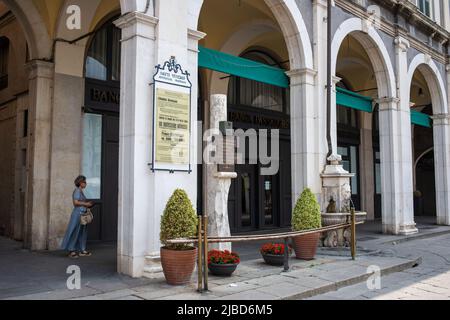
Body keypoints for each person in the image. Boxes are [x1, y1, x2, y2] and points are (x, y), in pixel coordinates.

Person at [61, 175, 94, 258]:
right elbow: (75, 203)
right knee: (74, 231)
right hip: (77, 214)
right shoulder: (77, 191)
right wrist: (86, 204)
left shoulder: (81, 191)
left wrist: (87, 205)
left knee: (82, 232)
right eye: (84, 182)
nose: (86, 184)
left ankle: (81, 249)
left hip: (82, 214)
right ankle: (71, 250)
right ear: (80, 183)